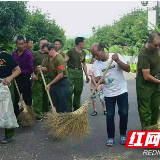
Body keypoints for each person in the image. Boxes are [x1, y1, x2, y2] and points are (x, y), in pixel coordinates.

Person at [90, 43, 130, 147]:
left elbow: (128, 69)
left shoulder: (116, 56)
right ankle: (110, 137)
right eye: (93, 55)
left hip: (121, 90)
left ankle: (123, 135)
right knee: (110, 115)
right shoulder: (96, 65)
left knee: (124, 113)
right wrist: (100, 80)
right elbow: (98, 78)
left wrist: (117, 61)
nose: (95, 57)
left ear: (102, 50)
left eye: (96, 54)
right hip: (108, 93)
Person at [136, 32, 160, 131]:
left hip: (155, 83)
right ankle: (146, 131)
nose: (157, 47)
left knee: (155, 109)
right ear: (149, 42)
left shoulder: (156, 49)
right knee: (145, 111)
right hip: (145, 84)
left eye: (159, 45)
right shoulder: (143, 54)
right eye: (155, 45)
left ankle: (154, 130)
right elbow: (146, 76)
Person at [38, 43, 70, 113]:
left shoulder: (59, 59)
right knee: (54, 102)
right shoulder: (49, 58)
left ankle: (65, 118)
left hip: (62, 82)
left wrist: (49, 84)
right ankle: (57, 119)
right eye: (44, 53)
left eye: (47, 52)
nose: (46, 54)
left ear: (52, 49)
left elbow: (60, 75)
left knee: (62, 103)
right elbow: (48, 69)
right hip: (55, 82)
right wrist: (41, 68)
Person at [0, 51, 21, 144]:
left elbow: (18, 70)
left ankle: (9, 135)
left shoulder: (5, 56)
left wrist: (10, 77)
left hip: (5, 85)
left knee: (7, 109)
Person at [65, 37, 90, 112]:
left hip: (79, 72)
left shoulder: (83, 53)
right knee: (69, 90)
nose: (84, 44)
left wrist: (87, 75)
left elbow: (84, 64)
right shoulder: (71, 51)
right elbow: (64, 61)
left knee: (78, 90)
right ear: (80, 43)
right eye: (83, 43)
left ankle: (76, 107)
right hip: (70, 71)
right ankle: (69, 108)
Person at [12, 35, 34, 118]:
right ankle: (16, 116)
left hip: (25, 79)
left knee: (27, 98)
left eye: (22, 44)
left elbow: (31, 69)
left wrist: (20, 71)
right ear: (16, 44)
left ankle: (28, 116)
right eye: (18, 44)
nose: (20, 46)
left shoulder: (28, 54)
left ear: (25, 43)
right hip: (16, 79)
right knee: (15, 99)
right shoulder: (14, 53)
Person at [32, 38, 50, 121]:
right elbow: (30, 65)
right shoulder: (34, 54)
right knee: (38, 96)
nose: (43, 45)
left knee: (46, 96)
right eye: (42, 44)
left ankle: (45, 111)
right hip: (38, 78)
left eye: (45, 44)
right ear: (39, 45)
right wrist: (33, 74)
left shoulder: (49, 54)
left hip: (47, 78)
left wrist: (43, 68)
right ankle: (38, 114)